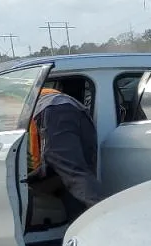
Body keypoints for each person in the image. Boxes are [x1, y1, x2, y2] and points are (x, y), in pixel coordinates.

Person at [25, 86, 102, 218]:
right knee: (70, 174)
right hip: (64, 110)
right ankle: (81, 225)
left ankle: (104, 218)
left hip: (54, 109)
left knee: (73, 173)